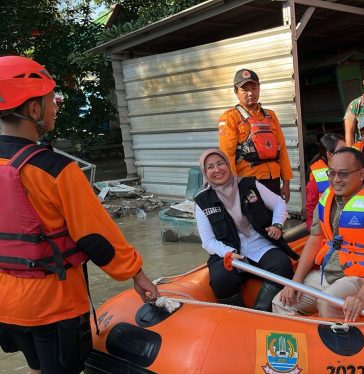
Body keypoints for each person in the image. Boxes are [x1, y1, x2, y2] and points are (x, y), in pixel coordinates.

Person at [0, 55, 160, 374]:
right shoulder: (56, 169)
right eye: (51, 99)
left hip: (6, 302)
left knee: (36, 366)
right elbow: (96, 237)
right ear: (33, 109)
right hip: (52, 304)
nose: (56, 105)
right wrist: (136, 273)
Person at [272, 147, 364, 321]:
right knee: (280, 302)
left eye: (343, 174)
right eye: (331, 173)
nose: (336, 180)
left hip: (362, 278)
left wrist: (361, 297)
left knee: (328, 303)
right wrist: (295, 282)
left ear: (362, 173)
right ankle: (305, 344)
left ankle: (340, 343)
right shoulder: (327, 198)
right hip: (330, 273)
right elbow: (314, 240)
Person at [194, 149, 297, 311]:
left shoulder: (249, 185)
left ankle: (260, 310)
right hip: (228, 252)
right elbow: (208, 241)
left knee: (282, 264)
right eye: (210, 167)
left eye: (221, 163)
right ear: (205, 173)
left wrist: (277, 224)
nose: (217, 169)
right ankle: (236, 313)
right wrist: (228, 252)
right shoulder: (202, 201)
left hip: (260, 244)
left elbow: (279, 202)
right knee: (221, 278)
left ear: (229, 165)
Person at [218, 69, 293, 202]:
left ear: (259, 88)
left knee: (274, 219)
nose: (250, 93)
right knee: (255, 221)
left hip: (273, 180)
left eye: (254, 88)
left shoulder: (271, 116)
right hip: (248, 182)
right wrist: (232, 188)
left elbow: (282, 150)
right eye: (244, 89)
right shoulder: (230, 117)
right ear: (236, 92)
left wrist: (286, 183)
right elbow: (227, 155)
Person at [305, 133, 346, 230]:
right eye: (342, 151)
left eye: (347, 149)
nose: (347, 153)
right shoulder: (314, 183)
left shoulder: (353, 170)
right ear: (329, 155)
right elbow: (310, 214)